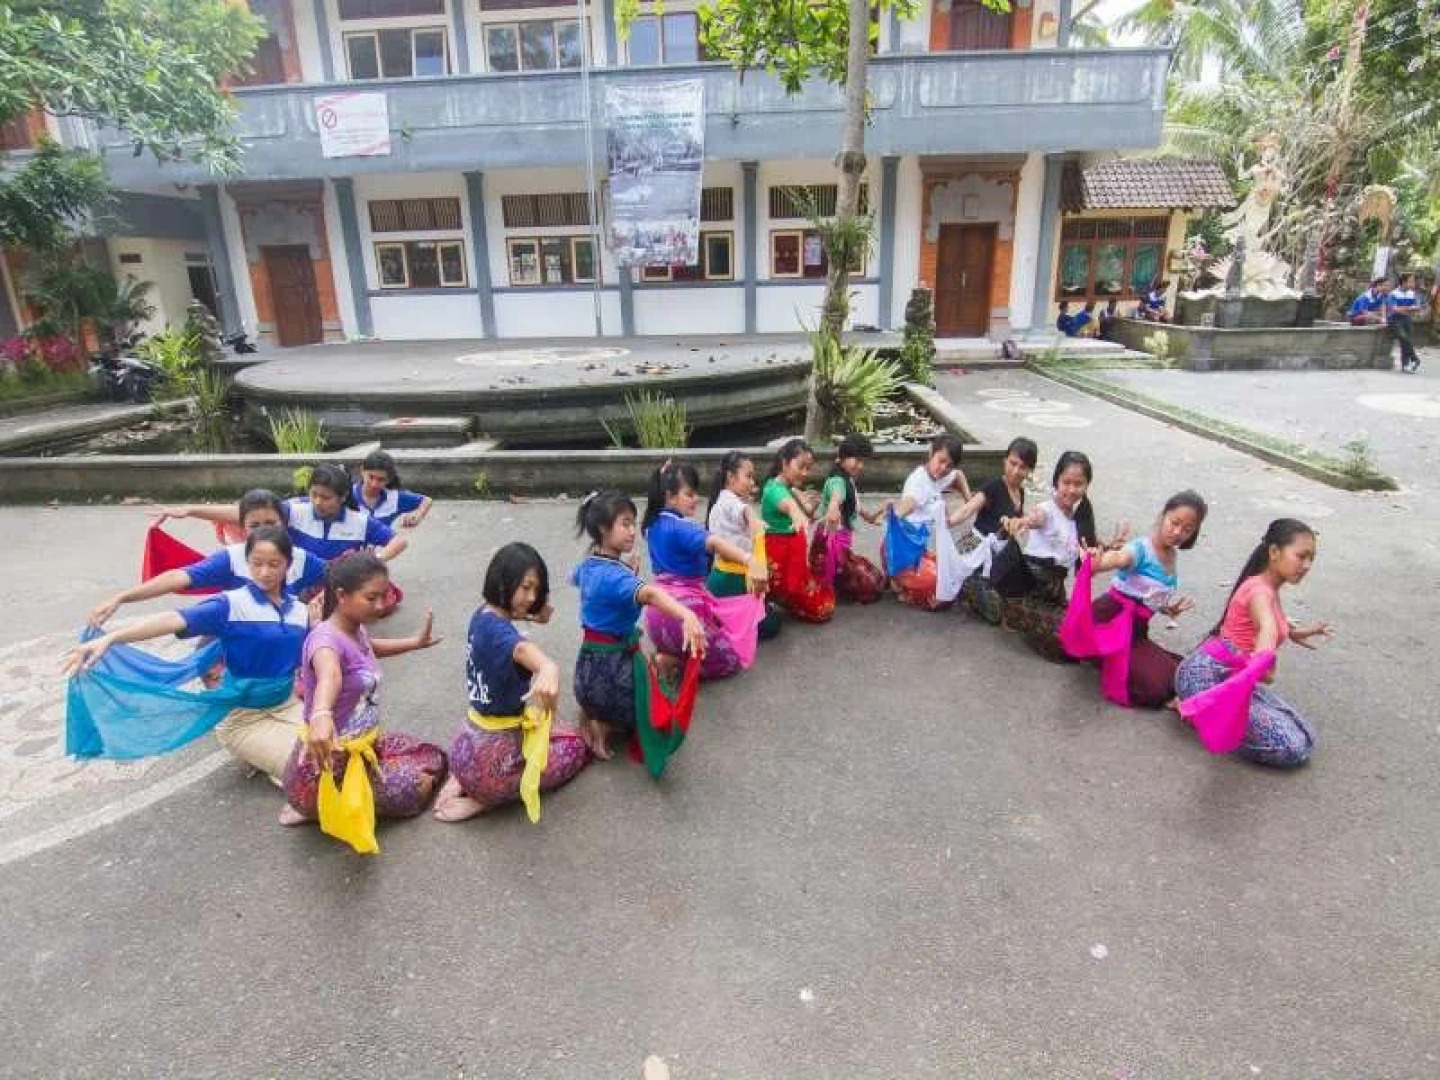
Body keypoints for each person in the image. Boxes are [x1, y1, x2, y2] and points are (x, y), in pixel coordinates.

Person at [63, 526, 309, 781]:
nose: (264, 572)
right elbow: (175, 619)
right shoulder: (231, 605)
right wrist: (112, 638)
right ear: (247, 563)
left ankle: (277, 766)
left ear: (288, 565)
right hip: (243, 718)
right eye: (256, 564)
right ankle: (285, 783)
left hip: (287, 706)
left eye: (274, 564)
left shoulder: (300, 612)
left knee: (337, 757)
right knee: (307, 770)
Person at [281, 553, 446, 845]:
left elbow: (368, 648)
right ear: (341, 595)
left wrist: (414, 643)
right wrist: (321, 715)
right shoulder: (325, 641)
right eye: (372, 598)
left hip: (363, 748)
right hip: (329, 770)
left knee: (430, 753)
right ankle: (315, 805)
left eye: (385, 596)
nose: (382, 606)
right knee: (421, 786)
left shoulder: (353, 627)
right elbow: (329, 675)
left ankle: (316, 806)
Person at [434, 543, 590, 823]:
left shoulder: (482, 614)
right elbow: (522, 651)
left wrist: (532, 615)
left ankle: (463, 779)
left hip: (466, 745)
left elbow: (506, 627)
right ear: (503, 582)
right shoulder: (507, 639)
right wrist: (549, 667)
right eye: (525, 587)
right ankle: (484, 799)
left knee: (555, 730)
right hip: (494, 759)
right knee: (575, 746)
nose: (531, 597)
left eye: (536, 589)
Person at [1174, 519, 1331, 767]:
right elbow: (1266, 627)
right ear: (1274, 552)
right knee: (1291, 748)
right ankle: (1201, 714)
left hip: (1234, 678)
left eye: (1312, 558)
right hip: (1205, 678)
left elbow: (1269, 622)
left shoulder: (1268, 586)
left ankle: (1206, 714)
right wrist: (1264, 659)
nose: (1307, 565)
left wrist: (1294, 632)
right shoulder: (1259, 592)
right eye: (1301, 556)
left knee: (1306, 733)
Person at [571, 490, 705, 771]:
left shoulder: (590, 564)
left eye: (633, 523)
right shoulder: (616, 576)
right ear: (602, 530)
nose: (633, 531)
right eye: (625, 523)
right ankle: (602, 725)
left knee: (653, 691)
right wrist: (686, 614)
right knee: (655, 713)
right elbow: (653, 595)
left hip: (587, 670)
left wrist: (626, 575)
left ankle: (591, 708)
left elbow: (576, 578)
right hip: (610, 672)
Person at [90, 489, 327, 627]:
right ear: (242, 528)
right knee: (210, 665)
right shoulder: (230, 559)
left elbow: (340, 577)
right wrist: (122, 598)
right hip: (237, 631)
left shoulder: (302, 559)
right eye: (254, 525)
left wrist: (321, 600)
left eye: (270, 523)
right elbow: (178, 578)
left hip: (287, 634)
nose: (265, 573)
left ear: (285, 524)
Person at [1059, 490, 1208, 708]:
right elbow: (1119, 557)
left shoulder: (1171, 554)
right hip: (1109, 623)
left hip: (1135, 633)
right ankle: (1096, 650)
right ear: (1163, 515)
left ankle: (1105, 656)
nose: (1178, 532)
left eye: (1187, 529)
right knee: (1156, 689)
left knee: (1179, 674)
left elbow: (1148, 596)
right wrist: (1097, 562)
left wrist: (1168, 609)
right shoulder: (1140, 549)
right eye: (1174, 522)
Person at [993, 450, 1126, 662]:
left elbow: (1090, 550)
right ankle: (1015, 615)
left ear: (1087, 485)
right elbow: (1034, 518)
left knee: (1087, 632)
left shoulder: (1082, 516)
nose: (1072, 489)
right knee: (1068, 642)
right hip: (1030, 590)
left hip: (1055, 594)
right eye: (1066, 482)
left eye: (1079, 484)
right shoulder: (1045, 510)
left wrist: (1111, 547)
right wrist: (1020, 522)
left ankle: (1030, 620)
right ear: (1056, 481)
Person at [641, 461, 768, 681]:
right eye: (689, 494)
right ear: (670, 496)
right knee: (730, 660)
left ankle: (667, 654)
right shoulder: (683, 528)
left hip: (656, 614)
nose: (696, 499)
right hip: (683, 615)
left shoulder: (651, 525)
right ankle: (675, 663)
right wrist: (750, 560)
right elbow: (715, 542)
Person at [953, 436, 1038, 624]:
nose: (1015, 471)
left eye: (1022, 467)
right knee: (995, 612)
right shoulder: (993, 486)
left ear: (1029, 470)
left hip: (997, 551)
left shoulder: (1020, 492)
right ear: (1004, 461)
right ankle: (969, 584)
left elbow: (1018, 523)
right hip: (974, 545)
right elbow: (969, 508)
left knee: (1022, 589)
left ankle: (974, 584)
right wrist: (949, 520)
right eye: (1012, 463)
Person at [883, 433, 971, 611]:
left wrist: (968, 498)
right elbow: (909, 502)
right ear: (931, 453)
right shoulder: (918, 483)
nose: (943, 468)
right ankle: (900, 584)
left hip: (919, 549)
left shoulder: (937, 476)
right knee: (942, 589)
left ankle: (907, 581)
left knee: (955, 571)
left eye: (949, 465)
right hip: (901, 553)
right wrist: (895, 513)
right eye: (941, 460)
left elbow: (958, 476)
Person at [707, 451, 783, 642]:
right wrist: (752, 517)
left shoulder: (720, 503)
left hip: (721, 578)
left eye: (753, 477)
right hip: (734, 579)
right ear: (731, 477)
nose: (752, 482)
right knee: (771, 624)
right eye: (748, 476)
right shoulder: (730, 503)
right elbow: (743, 511)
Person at [761, 438, 835, 623]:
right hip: (781, 560)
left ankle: (782, 595)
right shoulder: (774, 490)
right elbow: (790, 508)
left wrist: (811, 509)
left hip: (793, 559)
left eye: (808, 468)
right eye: (801, 466)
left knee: (825, 601)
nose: (804, 473)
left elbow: (802, 516)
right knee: (822, 609)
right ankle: (776, 595)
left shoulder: (788, 488)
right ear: (785, 463)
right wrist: (798, 514)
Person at [811, 434, 886, 604]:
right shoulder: (838, 481)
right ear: (843, 456)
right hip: (829, 546)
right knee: (870, 587)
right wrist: (832, 509)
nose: (860, 466)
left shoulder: (847, 478)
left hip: (840, 546)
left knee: (876, 579)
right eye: (857, 460)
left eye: (863, 461)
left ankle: (837, 581)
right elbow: (837, 497)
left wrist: (876, 516)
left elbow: (859, 509)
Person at [353, 449, 434, 529]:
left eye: (381, 480)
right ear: (362, 471)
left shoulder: (394, 497)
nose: (374, 484)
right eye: (371, 477)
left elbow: (426, 500)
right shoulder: (347, 494)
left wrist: (417, 515)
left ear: (389, 479)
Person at [1387, 272, 1425, 373]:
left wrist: (1405, 309)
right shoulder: (1393, 293)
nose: (1414, 283)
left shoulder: (1412, 293)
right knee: (1404, 338)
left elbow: (1417, 307)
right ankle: (1414, 358)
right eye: (1411, 281)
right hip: (1394, 319)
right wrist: (1409, 309)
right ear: (1404, 282)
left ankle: (1405, 365)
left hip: (1407, 319)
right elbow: (1394, 309)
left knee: (1406, 341)